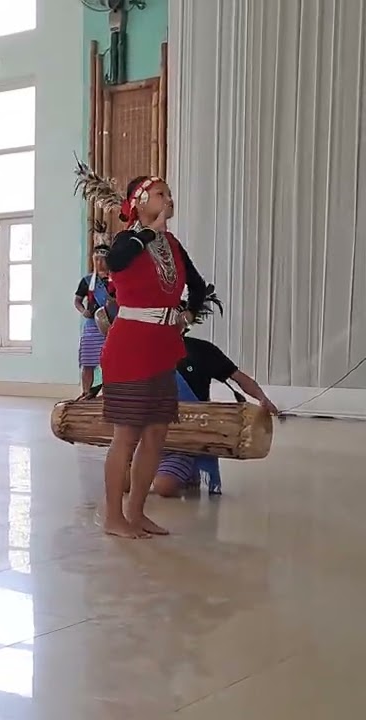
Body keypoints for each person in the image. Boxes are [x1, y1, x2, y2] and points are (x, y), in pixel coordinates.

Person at [79, 170, 211, 539]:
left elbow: (198, 286)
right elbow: (117, 262)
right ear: (138, 203)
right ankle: (113, 516)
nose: (168, 199)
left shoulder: (173, 245)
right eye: (160, 194)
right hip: (130, 347)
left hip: (162, 346)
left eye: (169, 193)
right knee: (127, 435)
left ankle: (136, 513)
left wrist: (187, 314)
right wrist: (151, 230)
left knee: (156, 434)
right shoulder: (128, 239)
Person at [151, 317, 279, 498]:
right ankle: (157, 471)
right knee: (123, 481)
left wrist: (262, 398)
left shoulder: (201, 350)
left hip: (186, 439)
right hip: (146, 434)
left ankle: (184, 470)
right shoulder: (142, 349)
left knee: (164, 487)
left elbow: (238, 377)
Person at [76, 237, 114, 398]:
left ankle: (108, 394)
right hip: (92, 325)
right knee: (87, 361)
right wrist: (83, 310)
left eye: (102, 259)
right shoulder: (87, 281)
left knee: (110, 362)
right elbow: (77, 300)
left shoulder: (116, 280)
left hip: (111, 326)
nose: (99, 263)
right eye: (96, 259)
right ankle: (86, 393)